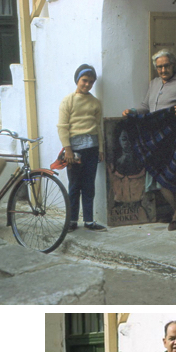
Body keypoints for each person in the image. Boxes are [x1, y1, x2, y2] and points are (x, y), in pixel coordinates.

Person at [122, 50, 176, 231]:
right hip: (158, 139)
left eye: (166, 65)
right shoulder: (154, 84)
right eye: (159, 67)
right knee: (159, 176)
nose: (163, 69)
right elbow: (145, 106)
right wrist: (132, 112)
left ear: (173, 64)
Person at [57, 64, 106, 231]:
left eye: (91, 82)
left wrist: (100, 149)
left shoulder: (95, 103)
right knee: (74, 185)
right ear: (77, 80)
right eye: (84, 80)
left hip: (92, 150)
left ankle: (89, 221)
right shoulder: (68, 101)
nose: (87, 84)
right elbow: (62, 127)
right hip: (74, 152)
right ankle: (71, 221)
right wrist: (68, 149)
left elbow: (98, 127)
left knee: (89, 185)